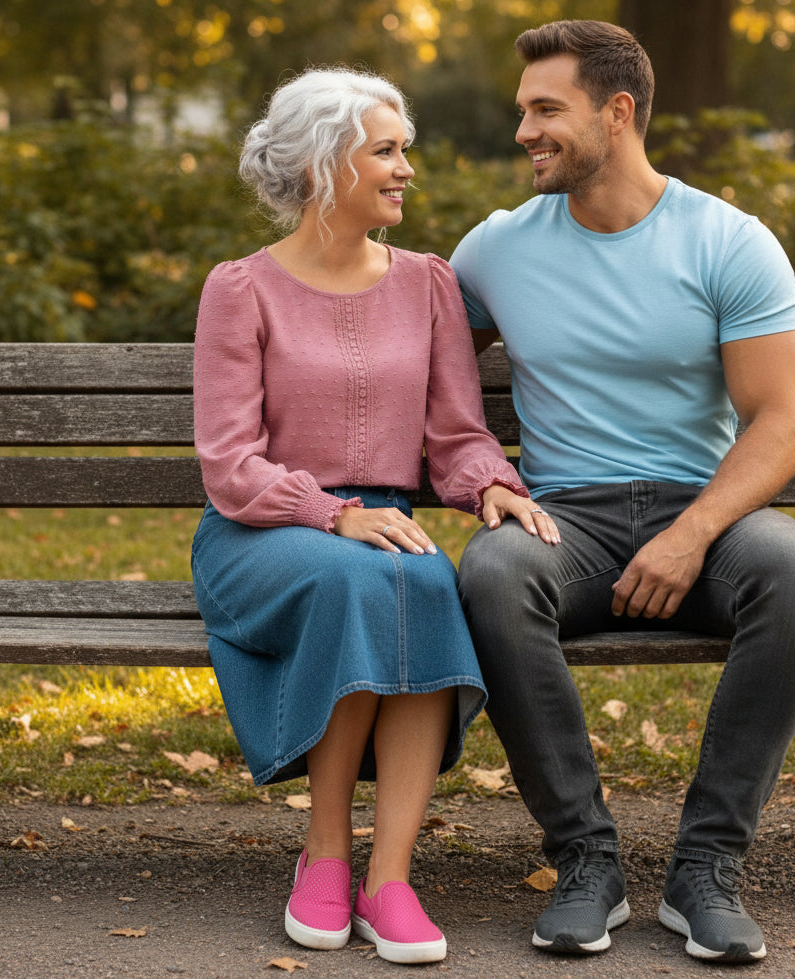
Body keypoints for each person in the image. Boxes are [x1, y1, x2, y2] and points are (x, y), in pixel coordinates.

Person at [451, 20, 795, 964]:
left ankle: (705, 869)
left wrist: (692, 533)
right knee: (493, 574)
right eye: (522, 112)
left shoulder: (726, 240)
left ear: (616, 112)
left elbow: (782, 421)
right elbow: (416, 380)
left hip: (699, 510)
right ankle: (586, 862)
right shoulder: (495, 249)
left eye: (546, 110)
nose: (523, 132)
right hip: (566, 522)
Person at [190, 66, 558, 966]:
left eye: (405, 151)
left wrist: (489, 486)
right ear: (325, 165)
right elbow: (230, 466)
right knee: (371, 573)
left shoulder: (427, 284)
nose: (405, 170)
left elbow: (456, 433)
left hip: (388, 528)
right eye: (385, 151)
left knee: (420, 576)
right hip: (264, 532)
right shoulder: (240, 289)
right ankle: (323, 853)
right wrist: (329, 512)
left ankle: (389, 875)